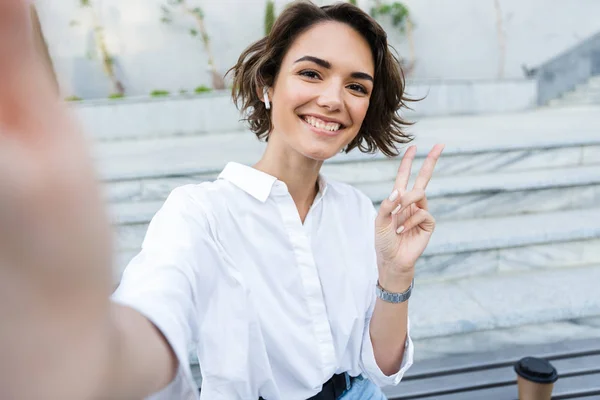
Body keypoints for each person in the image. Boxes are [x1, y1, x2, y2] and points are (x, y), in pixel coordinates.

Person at [0, 1, 444, 399]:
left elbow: (382, 370)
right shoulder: (199, 213)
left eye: (357, 86)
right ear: (267, 86)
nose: (332, 99)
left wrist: (396, 272)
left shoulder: (354, 211)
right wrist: (72, 347)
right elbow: (153, 312)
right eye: (311, 73)